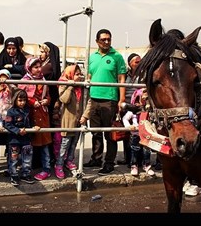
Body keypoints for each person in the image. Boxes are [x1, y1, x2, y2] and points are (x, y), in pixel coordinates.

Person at [83, 28, 127, 176]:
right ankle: (96, 158)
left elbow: (122, 79)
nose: (107, 42)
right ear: (97, 41)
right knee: (95, 133)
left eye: (109, 39)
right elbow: (89, 75)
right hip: (94, 98)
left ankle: (109, 163)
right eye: (103, 39)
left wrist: (121, 100)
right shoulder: (92, 57)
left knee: (109, 134)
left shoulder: (117, 57)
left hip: (110, 100)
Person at [18, 57, 52, 181]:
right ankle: (25, 169)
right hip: (29, 115)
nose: (39, 69)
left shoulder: (43, 80)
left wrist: (46, 101)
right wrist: (32, 102)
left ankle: (47, 169)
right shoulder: (24, 81)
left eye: (39, 67)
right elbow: (20, 96)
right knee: (28, 144)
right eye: (35, 67)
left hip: (43, 115)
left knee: (44, 143)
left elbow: (48, 96)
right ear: (29, 68)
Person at [54, 64, 90, 179]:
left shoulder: (83, 87)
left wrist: (85, 116)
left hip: (80, 120)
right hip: (68, 119)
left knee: (74, 143)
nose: (79, 76)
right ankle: (59, 164)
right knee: (65, 143)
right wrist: (70, 85)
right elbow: (64, 99)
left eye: (80, 74)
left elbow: (89, 102)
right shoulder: (64, 84)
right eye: (76, 74)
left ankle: (69, 161)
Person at [4, 88, 36, 186]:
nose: (22, 103)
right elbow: (7, 124)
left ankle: (26, 173)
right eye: (20, 100)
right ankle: (13, 175)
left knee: (27, 158)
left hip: (26, 139)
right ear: (15, 100)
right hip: (14, 140)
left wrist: (33, 127)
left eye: (24, 100)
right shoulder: (11, 112)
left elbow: (30, 122)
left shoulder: (27, 110)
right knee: (13, 159)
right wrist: (17, 131)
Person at [122, 88, 155, 177]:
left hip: (146, 134)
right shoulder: (133, 109)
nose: (144, 101)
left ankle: (147, 165)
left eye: (147, 99)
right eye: (142, 98)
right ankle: (134, 165)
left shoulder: (150, 110)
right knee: (134, 149)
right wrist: (129, 127)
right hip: (135, 133)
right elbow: (125, 118)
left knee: (146, 150)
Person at [38, 42, 62, 166]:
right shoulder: (44, 64)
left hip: (48, 101)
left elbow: (33, 71)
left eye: (42, 52)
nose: (40, 54)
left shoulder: (48, 66)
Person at [117, 53, 141, 167]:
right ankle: (128, 158)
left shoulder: (143, 76)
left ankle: (138, 160)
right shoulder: (124, 75)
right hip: (126, 106)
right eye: (136, 62)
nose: (139, 64)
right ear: (130, 63)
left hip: (138, 107)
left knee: (138, 133)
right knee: (127, 134)